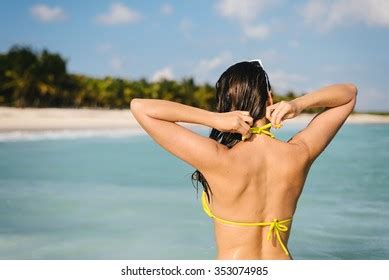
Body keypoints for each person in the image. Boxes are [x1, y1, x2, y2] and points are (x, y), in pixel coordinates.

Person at [130, 60, 357, 260]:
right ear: (270, 99)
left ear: (225, 106)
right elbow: (348, 94)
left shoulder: (217, 157)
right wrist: (298, 105)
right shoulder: (298, 153)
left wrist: (213, 119)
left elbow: (140, 107)